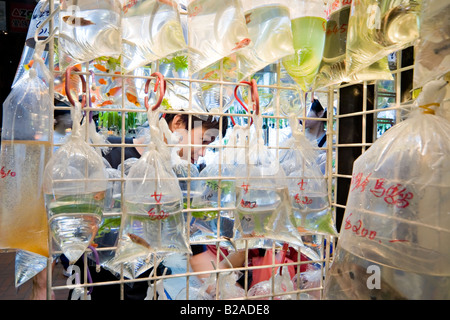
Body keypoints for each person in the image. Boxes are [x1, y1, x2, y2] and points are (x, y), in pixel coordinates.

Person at [69, 111, 229, 300]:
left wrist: (225, 291)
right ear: (178, 123)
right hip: (94, 287)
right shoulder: (107, 152)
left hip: (143, 291)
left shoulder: (180, 176)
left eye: (208, 146)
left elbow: (196, 251)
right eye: (203, 141)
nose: (203, 153)